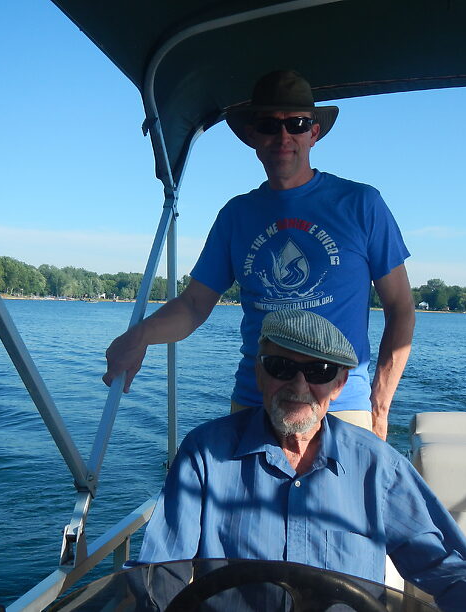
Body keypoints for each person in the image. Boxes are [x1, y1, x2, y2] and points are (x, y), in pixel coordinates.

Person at [136, 310, 466, 612]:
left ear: (340, 383)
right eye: (281, 367)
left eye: (319, 370)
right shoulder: (204, 456)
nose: (299, 386)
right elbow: (161, 573)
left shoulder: (378, 467)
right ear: (259, 373)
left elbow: (442, 564)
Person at [104, 69, 415, 439]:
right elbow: (193, 305)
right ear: (252, 135)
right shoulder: (236, 215)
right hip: (256, 402)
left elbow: (401, 308)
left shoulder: (362, 204)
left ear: (313, 132)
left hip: (341, 405)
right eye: (269, 125)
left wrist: (379, 408)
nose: (283, 136)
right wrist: (139, 336)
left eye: (296, 123)